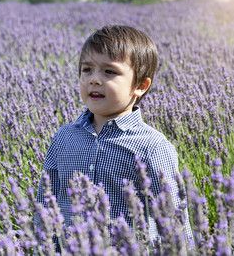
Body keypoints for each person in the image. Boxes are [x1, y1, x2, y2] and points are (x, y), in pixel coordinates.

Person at [35, 25, 193, 250]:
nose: (94, 80)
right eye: (87, 69)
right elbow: (45, 201)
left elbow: (174, 216)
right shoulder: (64, 138)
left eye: (109, 72)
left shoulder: (152, 147)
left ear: (140, 86)